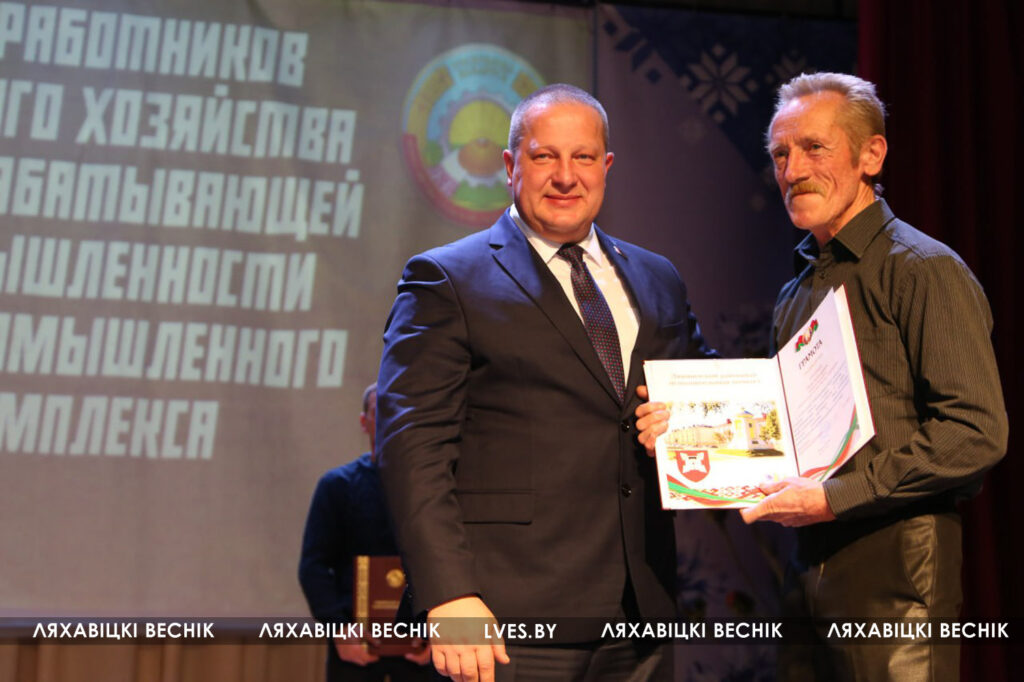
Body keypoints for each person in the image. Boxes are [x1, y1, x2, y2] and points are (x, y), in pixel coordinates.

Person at [637, 72, 1008, 680]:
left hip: (896, 577)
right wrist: (684, 431)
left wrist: (836, 498)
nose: (793, 170)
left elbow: (974, 432)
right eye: (780, 153)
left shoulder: (923, 269)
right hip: (806, 573)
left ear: (871, 155)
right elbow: (782, 435)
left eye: (814, 147)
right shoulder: (798, 292)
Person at [376, 83, 715, 682]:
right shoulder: (447, 278)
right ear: (511, 166)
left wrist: (698, 418)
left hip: (641, 615)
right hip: (505, 620)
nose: (565, 176)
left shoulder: (658, 277)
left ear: (606, 166)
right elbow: (411, 448)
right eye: (544, 156)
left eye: (583, 157)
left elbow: (706, 390)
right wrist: (448, 594)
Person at [298, 383, 433, 682]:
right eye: (379, 411)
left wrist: (437, 632)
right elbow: (313, 566)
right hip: (354, 647)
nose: (389, 419)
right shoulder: (337, 486)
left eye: (397, 411)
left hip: (420, 647)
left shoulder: (432, 490)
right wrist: (338, 628)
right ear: (364, 421)